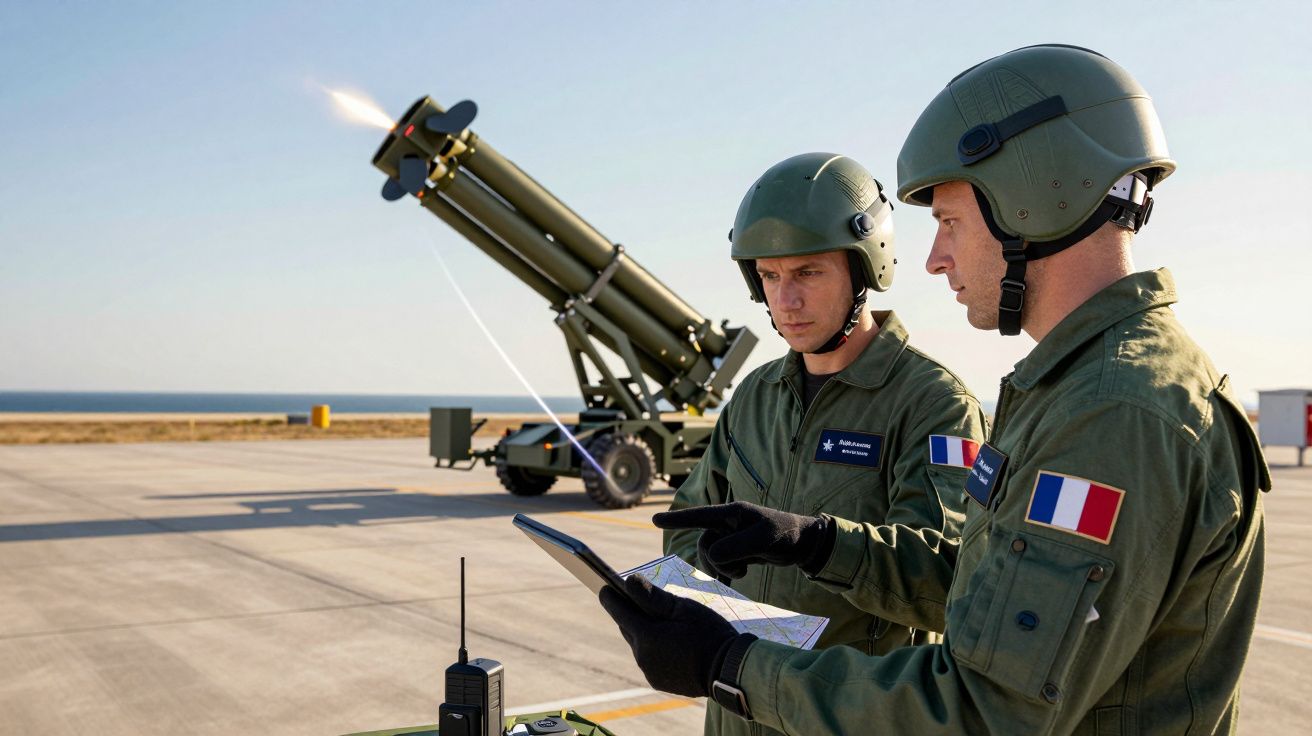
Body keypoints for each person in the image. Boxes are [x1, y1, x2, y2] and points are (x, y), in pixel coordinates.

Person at [600, 45, 1269, 734]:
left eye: (949, 221)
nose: (934, 256)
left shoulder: (1114, 412)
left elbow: (985, 708)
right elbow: (977, 585)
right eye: (770, 277)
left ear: (1032, 198)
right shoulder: (1081, 389)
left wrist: (733, 665)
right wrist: (816, 542)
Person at [661, 153, 986, 736]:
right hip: (737, 708)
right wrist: (695, 574)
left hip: (850, 715)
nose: (785, 301)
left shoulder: (933, 405)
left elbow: (951, 579)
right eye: (769, 276)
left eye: (808, 273)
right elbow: (686, 520)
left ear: (864, 272)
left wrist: (813, 543)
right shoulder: (756, 396)